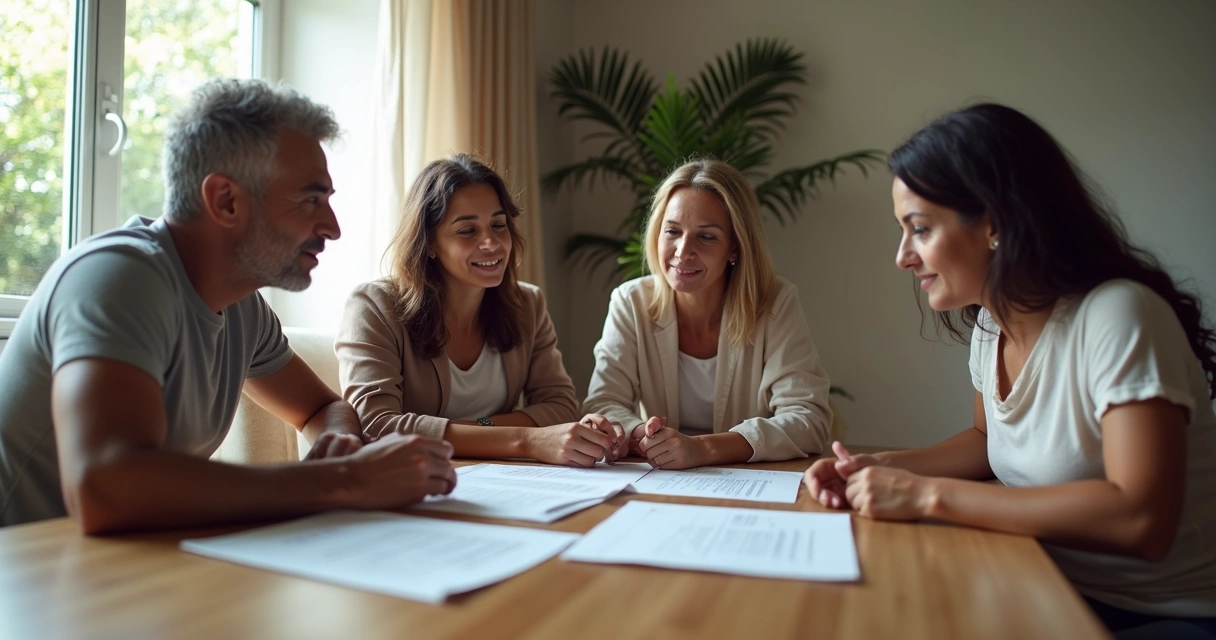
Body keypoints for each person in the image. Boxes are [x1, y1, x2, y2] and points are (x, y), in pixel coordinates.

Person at [804, 103, 1216, 636]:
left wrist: (926, 495)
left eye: (920, 229)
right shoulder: (991, 327)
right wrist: (877, 464)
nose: (903, 256)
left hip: (1165, 616)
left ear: (995, 223)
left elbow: (1140, 519)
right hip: (1043, 580)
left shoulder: (1118, 315)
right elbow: (983, 440)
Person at [0, 79, 457, 534]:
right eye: (310, 199)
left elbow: (320, 408)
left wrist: (338, 445)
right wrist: (345, 479)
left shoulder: (242, 306)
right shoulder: (118, 277)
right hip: (25, 577)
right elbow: (104, 488)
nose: (332, 227)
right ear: (225, 200)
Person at [336, 154, 620, 468]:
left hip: (499, 478)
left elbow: (562, 406)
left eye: (499, 225)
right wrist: (524, 439)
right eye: (467, 231)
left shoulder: (527, 304)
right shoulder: (374, 307)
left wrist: (478, 428)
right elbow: (377, 425)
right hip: (416, 482)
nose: (492, 242)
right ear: (429, 243)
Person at [582, 159, 832, 470]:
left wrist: (705, 449)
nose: (683, 251)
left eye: (707, 236)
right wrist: (640, 435)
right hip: (659, 480)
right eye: (672, 231)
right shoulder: (630, 302)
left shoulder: (775, 301)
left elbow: (808, 417)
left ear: (735, 248)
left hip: (748, 481)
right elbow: (603, 403)